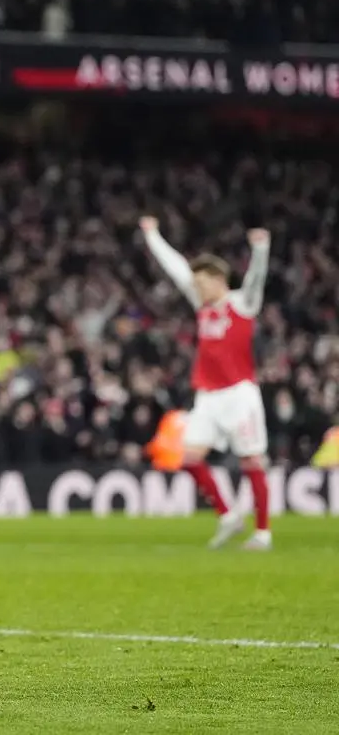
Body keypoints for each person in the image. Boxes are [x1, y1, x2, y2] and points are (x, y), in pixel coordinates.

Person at [140, 217, 272, 549]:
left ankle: (263, 533)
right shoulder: (203, 305)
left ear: (218, 280)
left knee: (251, 461)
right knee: (190, 459)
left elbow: (256, 280)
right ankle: (229, 517)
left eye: (202, 282)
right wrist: (153, 235)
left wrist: (260, 249)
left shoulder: (242, 304)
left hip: (240, 393)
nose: (196, 288)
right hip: (208, 396)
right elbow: (176, 268)